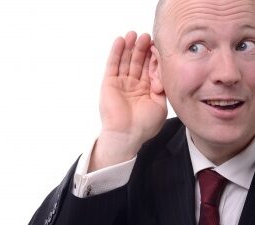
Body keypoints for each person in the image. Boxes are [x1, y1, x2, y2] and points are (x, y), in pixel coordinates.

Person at [30, 0, 255, 224]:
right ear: (156, 67)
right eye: (196, 47)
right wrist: (116, 143)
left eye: (246, 45)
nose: (227, 74)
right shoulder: (132, 162)